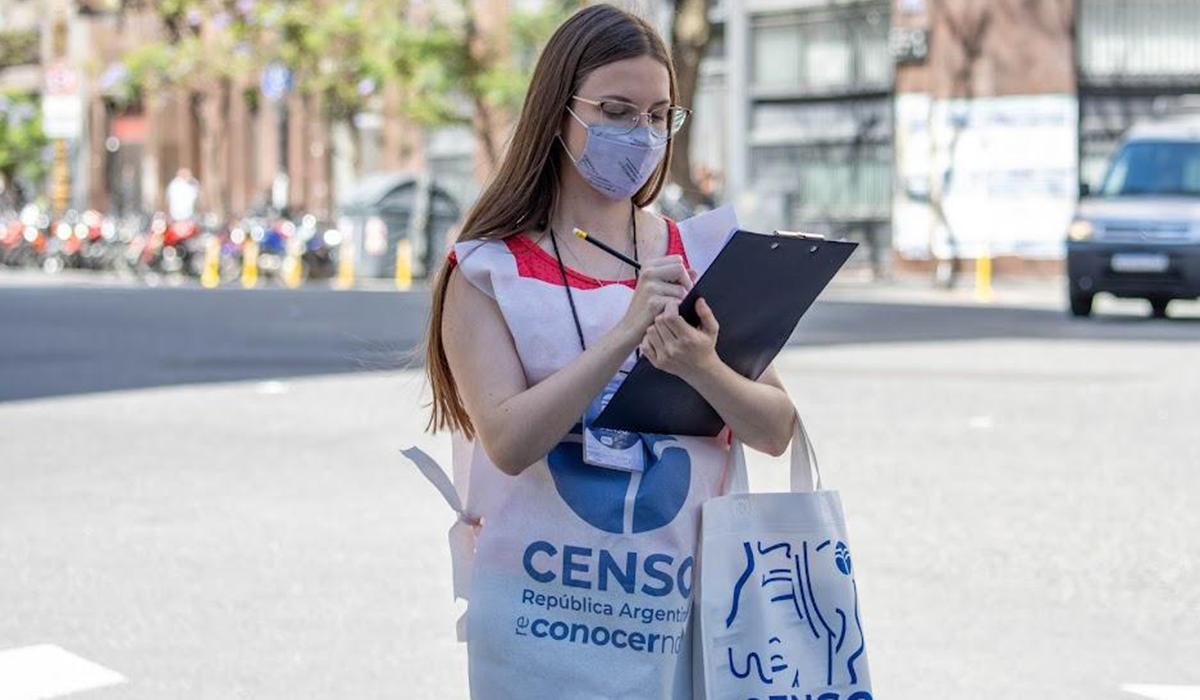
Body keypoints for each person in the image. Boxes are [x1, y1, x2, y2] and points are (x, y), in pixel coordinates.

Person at [419, 5, 798, 698]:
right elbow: (508, 440)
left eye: (659, 117)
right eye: (618, 112)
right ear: (557, 113)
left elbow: (775, 428)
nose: (642, 135)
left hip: (679, 610)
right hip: (545, 616)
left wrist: (701, 366)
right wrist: (624, 335)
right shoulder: (485, 270)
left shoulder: (702, 254)